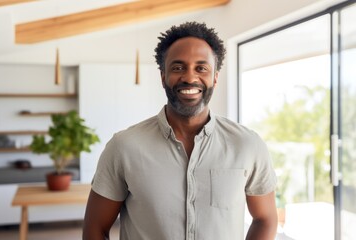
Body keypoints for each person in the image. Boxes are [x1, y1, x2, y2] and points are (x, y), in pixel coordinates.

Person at [83, 21, 278, 240]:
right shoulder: (124, 147)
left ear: (215, 76)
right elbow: (95, 228)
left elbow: (266, 218)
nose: (189, 77)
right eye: (178, 67)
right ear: (163, 76)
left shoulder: (248, 145)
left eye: (201, 68)